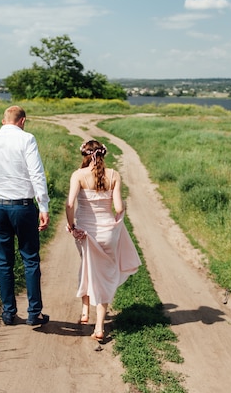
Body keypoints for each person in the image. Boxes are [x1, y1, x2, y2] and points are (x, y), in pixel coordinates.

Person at [0, 105, 50, 326]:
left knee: (4, 261)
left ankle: (8, 313)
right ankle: (34, 312)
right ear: (23, 121)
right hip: (23, 207)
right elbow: (37, 174)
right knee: (30, 259)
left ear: (3, 120)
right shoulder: (27, 139)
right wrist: (43, 205)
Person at [65, 140, 141, 342]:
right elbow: (118, 208)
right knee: (104, 276)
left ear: (84, 155)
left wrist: (71, 226)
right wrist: (122, 204)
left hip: (85, 232)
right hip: (109, 234)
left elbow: (70, 203)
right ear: (103, 155)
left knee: (88, 266)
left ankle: (85, 312)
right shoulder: (114, 175)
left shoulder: (78, 175)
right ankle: (99, 327)